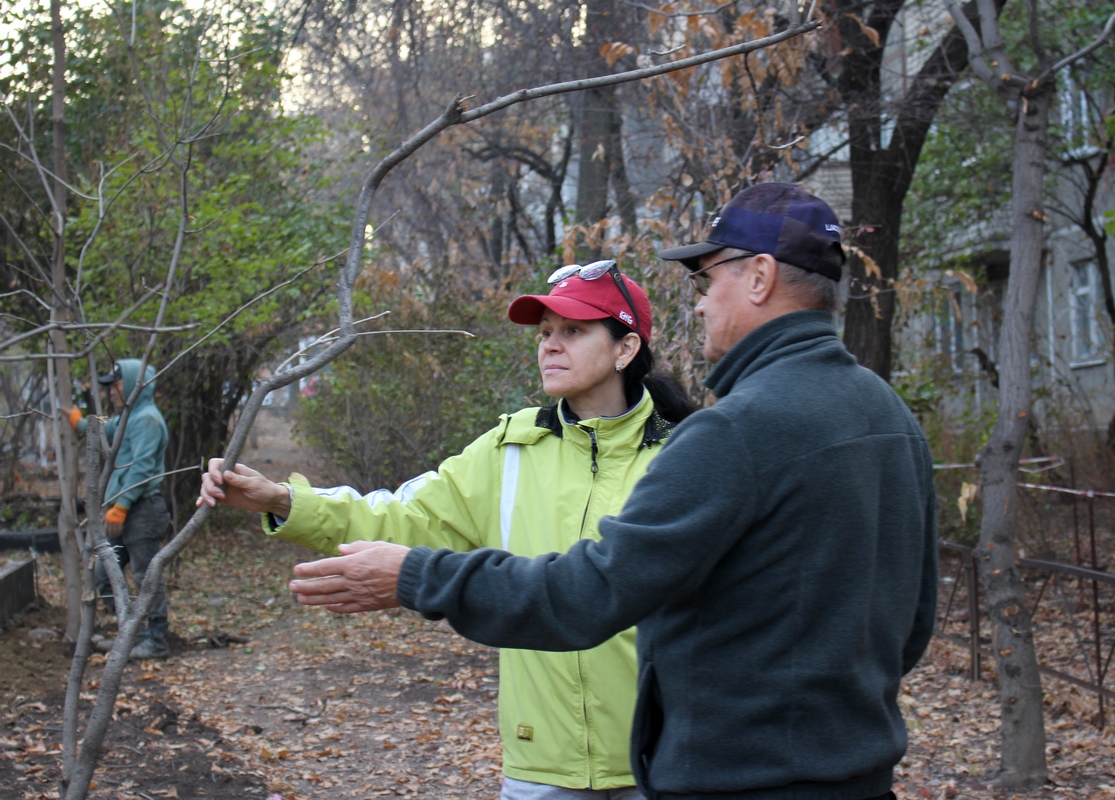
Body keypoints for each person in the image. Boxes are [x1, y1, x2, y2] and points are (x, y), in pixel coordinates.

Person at [287, 184, 939, 800]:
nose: (702, 303)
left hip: (734, 780)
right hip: (860, 777)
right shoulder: (893, 420)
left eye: (709, 280)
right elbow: (911, 628)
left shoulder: (731, 435)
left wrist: (415, 575)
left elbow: (588, 594)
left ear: (761, 277)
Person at [198, 262, 696, 800]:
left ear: (625, 349)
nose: (550, 346)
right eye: (545, 333)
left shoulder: (687, 456)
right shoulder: (508, 450)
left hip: (663, 762)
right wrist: (284, 499)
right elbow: (401, 516)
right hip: (542, 764)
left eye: (573, 331)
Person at [66, 359, 172, 660]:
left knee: (145, 577)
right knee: (103, 576)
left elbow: (142, 467)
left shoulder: (147, 419)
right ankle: (133, 636)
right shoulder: (128, 417)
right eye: (109, 386)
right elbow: (105, 429)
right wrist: (79, 422)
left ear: (135, 383)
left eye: (116, 384)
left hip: (141, 511)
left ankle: (156, 641)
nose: (112, 391)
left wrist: (122, 506)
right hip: (122, 512)